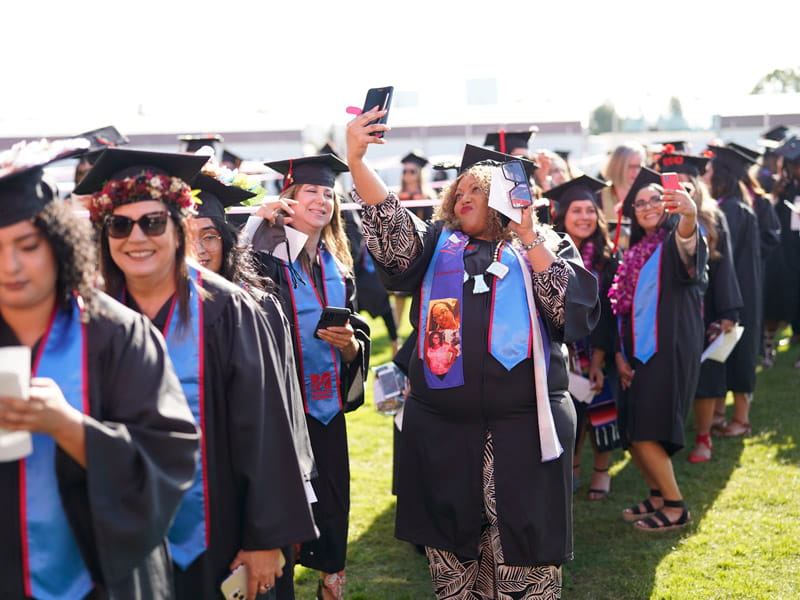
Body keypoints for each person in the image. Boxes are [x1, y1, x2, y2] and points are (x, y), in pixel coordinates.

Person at [348, 108, 600, 599]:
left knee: (522, 563)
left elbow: (570, 315)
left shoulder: (545, 245)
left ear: (504, 197)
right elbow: (393, 230)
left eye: (476, 191)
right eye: (457, 192)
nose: (463, 196)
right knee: (455, 568)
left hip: (525, 432)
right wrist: (358, 162)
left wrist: (528, 236)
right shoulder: (436, 245)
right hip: (443, 431)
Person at [75, 147, 316, 600]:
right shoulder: (92, 316)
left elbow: (263, 430)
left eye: (152, 222)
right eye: (120, 225)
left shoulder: (226, 309)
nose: (136, 238)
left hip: (219, 526)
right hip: (120, 536)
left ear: (177, 226)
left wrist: (264, 539)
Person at [0, 139, 199, 599]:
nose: (11, 266)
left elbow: (167, 461)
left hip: (102, 581)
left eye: (27, 245)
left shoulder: (118, 334)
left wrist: (68, 427)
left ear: (58, 242)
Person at [188, 170, 317, 600]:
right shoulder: (155, 312)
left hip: (252, 494)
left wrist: (287, 508)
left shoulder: (258, 307)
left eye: (209, 235)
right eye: (187, 236)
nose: (198, 249)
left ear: (226, 240)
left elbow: (284, 413)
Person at [252, 154, 371, 600]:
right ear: (289, 199)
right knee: (287, 505)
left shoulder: (337, 263)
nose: (321, 199)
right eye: (310, 192)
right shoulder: (265, 256)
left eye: (327, 192)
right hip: (284, 408)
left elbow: (357, 329)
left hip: (326, 410)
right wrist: (254, 229)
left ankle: (330, 588)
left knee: (334, 505)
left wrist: (350, 346)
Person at [609, 167, 707, 531]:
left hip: (667, 349)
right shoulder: (634, 253)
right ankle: (656, 495)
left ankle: (676, 506)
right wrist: (619, 353)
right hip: (635, 352)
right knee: (632, 430)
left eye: (654, 199)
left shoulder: (672, 242)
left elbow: (688, 242)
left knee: (647, 429)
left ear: (667, 204)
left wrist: (689, 214)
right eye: (639, 203)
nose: (647, 206)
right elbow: (623, 308)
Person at [655, 149, 743, 462]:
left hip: (705, 307)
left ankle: (703, 437)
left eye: (686, 185)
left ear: (696, 187)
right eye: (673, 184)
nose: (680, 190)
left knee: (706, 377)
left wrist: (728, 312)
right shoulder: (657, 216)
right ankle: (668, 436)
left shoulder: (713, 217)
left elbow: (725, 267)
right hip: (668, 309)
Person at [549, 175, 621, 500]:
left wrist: (597, 360)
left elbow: (608, 315)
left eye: (590, 210)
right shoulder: (550, 257)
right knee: (571, 410)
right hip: (562, 349)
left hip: (599, 347)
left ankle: (602, 470)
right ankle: (573, 464)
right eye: (576, 211)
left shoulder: (607, 261)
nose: (584, 217)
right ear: (562, 217)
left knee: (603, 407)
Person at [702, 146, 768, 437]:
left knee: (739, 356)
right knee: (727, 354)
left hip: (738, 292)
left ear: (721, 174)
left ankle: (741, 420)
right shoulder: (736, 205)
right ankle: (718, 414)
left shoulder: (730, 210)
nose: (706, 175)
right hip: (744, 290)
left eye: (709, 170)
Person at [599, 142, 647, 250]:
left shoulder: (646, 195)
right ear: (618, 167)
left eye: (639, 166)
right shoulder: (600, 196)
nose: (636, 171)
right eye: (631, 167)